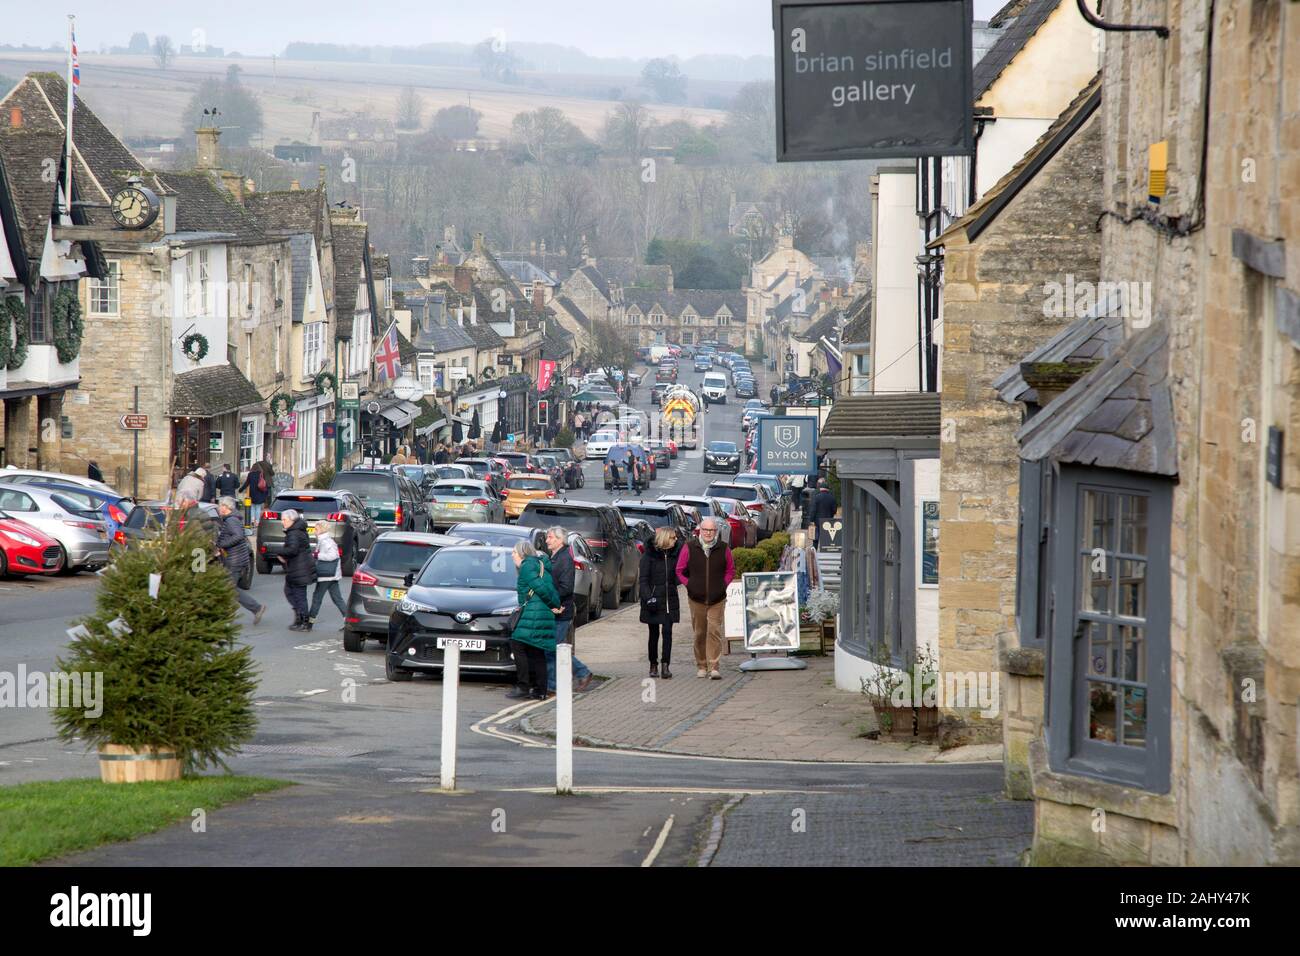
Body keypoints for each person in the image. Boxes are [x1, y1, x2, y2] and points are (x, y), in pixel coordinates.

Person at [675, 516, 735, 680]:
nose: (708, 533)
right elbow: (679, 570)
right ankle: (701, 665)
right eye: (705, 530)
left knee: (714, 631)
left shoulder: (724, 548)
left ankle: (714, 666)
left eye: (712, 530)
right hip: (696, 598)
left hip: (718, 597)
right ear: (700, 531)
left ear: (716, 532)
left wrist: (723, 584)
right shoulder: (689, 547)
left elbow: (730, 570)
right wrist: (690, 584)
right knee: (700, 633)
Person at [507, 541, 563, 700]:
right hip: (541, 612)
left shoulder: (527, 566)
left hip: (534, 613)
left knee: (517, 643)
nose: (512, 555)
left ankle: (523, 686)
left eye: (514, 552)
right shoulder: (539, 564)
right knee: (537, 651)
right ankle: (540, 690)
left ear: (522, 553)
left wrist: (554, 603)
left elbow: (541, 588)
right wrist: (554, 605)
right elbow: (548, 586)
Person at [544, 526, 594, 693]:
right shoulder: (556, 557)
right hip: (554, 610)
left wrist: (550, 600)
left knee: (554, 648)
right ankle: (552, 684)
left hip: (561, 611)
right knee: (552, 648)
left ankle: (582, 672)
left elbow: (566, 588)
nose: (547, 540)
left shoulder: (564, 559)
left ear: (559, 540)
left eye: (550, 537)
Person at [640, 526, 682, 679]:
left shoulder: (674, 555)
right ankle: (653, 664)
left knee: (668, 632)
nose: (676, 540)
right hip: (653, 599)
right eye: (673, 537)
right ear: (665, 538)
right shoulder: (648, 556)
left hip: (669, 599)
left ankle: (666, 665)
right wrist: (648, 597)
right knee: (654, 634)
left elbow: (681, 572)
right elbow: (643, 580)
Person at [216, 496, 266, 625]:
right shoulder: (231, 519)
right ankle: (256, 608)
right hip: (236, 558)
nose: (218, 508)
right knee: (230, 588)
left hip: (235, 560)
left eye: (220, 505)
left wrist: (223, 544)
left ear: (226, 507)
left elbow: (238, 536)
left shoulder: (231, 520)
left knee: (229, 588)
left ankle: (228, 617)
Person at [277, 509, 316, 631]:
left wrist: (279, 552)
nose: (282, 522)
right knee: (289, 591)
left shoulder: (294, 532)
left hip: (300, 568)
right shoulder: (297, 530)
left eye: (284, 520)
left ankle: (304, 621)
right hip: (297, 567)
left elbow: (292, 550)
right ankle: (299, 617)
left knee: (299, 595)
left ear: (291, 520)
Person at [307, 522, 347, 629]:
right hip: (331, 575)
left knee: (317, 598)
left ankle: (309, 622)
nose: (314, 531)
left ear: (321, 529)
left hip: (326, 575)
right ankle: (348, 621)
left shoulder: (326, 542)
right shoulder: (324, 540)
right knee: (337, 598)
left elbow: (333, 556)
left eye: (316, 529)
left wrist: (317, 555)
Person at [240, 455, 274, 526]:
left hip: (252, 493)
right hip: (259, 493)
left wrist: (241, 489)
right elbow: (264, 484)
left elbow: (247, 483)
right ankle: (257, 522)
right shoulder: (261, 474)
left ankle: (252, 520)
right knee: (258, 508)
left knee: (252, 507)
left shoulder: (250, 474)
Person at [808, 480, 839, 549]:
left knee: (816, 537)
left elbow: (813, 510)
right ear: (827, 489)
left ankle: (815, 550)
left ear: (821, 489)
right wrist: (831, 515)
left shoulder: (816, 497)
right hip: (828, 520)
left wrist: (811, 520)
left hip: (817, 521)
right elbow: (834, 510)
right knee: (826, 536)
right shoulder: (832, 498)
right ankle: (825, 550)